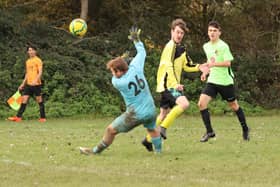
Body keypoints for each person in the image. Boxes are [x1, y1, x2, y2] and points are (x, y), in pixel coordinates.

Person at [79, 26, 162, 155]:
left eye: (113, 71)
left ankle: (95, 151)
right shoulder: (136, 67)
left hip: (135, 114)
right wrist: (136, 40)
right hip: (151, 109)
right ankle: (159, 153)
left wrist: (122, 60)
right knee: (152, 130)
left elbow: (117, 77)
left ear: (118, 72)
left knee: (110, 130)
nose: (112, 74)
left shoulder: (118, 82)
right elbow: (142, 52)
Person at [142, 18, 208, 151]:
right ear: (172, 31)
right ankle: (162, 129)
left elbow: (187, 65)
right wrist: (175, 84)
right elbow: (168, 66)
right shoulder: (170, 46)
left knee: (163, 114)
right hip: (168, 85)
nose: (179, 35)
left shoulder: (182, 48)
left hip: (168, 85)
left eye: (181, 33)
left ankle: (148, 140)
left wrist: (200, 67)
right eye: (177, 32)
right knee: (184, 104)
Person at [198, 21, 250, 142]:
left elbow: (227, 63)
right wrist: (205, 72)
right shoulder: (206, 46)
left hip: (225, 82)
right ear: (208, 32)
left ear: (219, 33)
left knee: (234, 106)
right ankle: (210, 131)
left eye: (215, 31)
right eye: (210, 30)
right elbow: (210, 61)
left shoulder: (223, 46)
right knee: (201, 103)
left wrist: (213, 64)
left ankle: (245, 129)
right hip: (212, 81)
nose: (212, 33)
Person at [8, 45, 46, 122]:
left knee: (39, 100)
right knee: (24, 100)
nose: (30, 52)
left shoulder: (38, 60)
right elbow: (27, 73)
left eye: (32, 50)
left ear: (35, 51)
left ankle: (43, 118)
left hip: (36, 84)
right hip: (28, 84)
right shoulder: (28, 61)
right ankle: (18, 117)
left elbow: (40, 72)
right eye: (29, 50)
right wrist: (22, 84)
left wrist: (36, 80)